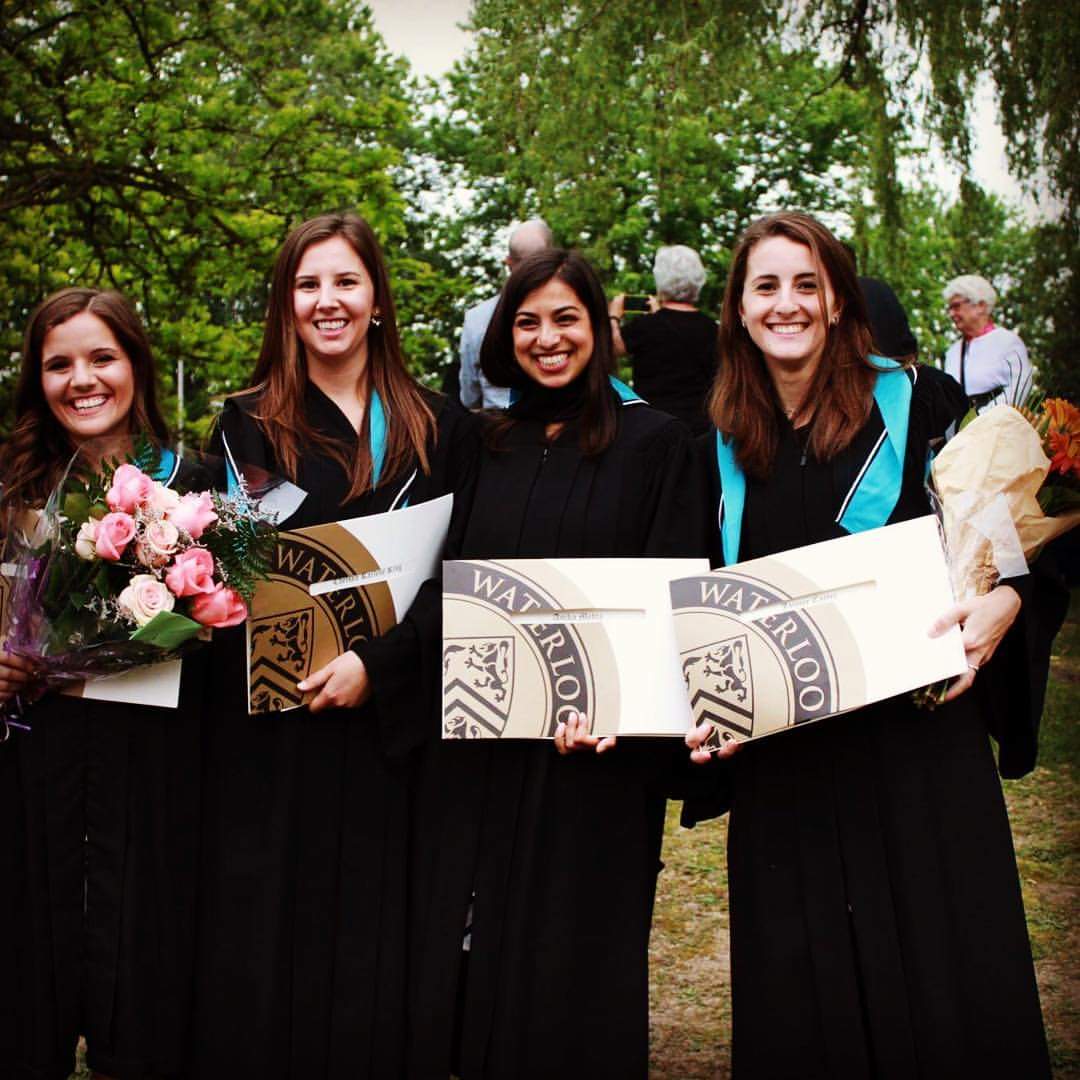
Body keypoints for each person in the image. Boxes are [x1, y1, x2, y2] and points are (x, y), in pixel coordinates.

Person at [685, 211, 1051, 1078]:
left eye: (808, 284)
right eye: (766, 286)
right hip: (790, 765)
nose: (788, 304)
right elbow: (696, 604)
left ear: (840, 302)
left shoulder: (923, 403)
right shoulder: (715, 446)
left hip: (915, 752)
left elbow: (1005, 538)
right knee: (802, 993)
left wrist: (1009, 603)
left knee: (942, 976)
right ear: (737, 309)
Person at [188, 212, 477, 1079]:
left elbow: (458, 575)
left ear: (378, 299)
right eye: (308, 285)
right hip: (282, 735)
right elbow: (227, 581)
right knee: (286, 940)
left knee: (385, 948)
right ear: (285, 305)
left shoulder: (441, 427)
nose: (328, 302)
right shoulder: (244, 428)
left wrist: (377, 667)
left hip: (395, 729)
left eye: (346, 282)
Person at [408, 249, 706, 1079]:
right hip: (480, 750)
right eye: (529, 321)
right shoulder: (482, 443)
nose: (547, 338)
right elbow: (448, 573)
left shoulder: (655, 443)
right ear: (507, 333)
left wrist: (625, 713)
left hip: (594, 764)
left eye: (565, 319)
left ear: (600, 330)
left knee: (577, 967)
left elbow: (673, 589)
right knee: (472, 950)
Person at [0, 287, 204, 1080]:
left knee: (149, 1006)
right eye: (58, 364)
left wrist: (193, 616)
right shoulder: (14, 492)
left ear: (135, 366)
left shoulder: (190, 490)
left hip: (154, 779)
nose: (81, 379)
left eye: (101, 358)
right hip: (32, 774)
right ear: (36, 379)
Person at [609, 244, 718, 434]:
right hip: (701, 432)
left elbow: (612, 349)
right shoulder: (713, 329)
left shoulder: (646, 326)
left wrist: (614, 316)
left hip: (653, 429)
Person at [458, 218, 554, 410]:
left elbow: (469, 397)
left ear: (508, 262)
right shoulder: (572, 315)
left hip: (495, 429)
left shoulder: (477, 319)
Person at [943, 273, 1032, 414]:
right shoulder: (952, 352)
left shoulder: (1008, 342)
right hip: (961, 431)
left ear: (981, 306)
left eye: (956, 306)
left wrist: (983, 417)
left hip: (998, 427)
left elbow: (1020, 388)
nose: (951, 314)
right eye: (950, 308)